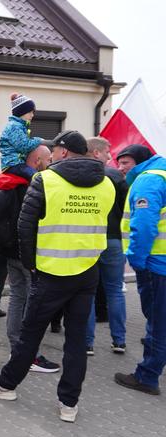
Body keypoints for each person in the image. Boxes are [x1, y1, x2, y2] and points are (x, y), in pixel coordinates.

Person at [0, 130, 115, 423]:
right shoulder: (107, 184)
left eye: (54, 149)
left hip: (50, 272)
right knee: (76, 340)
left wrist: (30, 265)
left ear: (63, 152)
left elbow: (25, 229)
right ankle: (69, 404)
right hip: (87, 271)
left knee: (30, 335)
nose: (50, 154)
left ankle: (5, 385)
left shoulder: (46, 180)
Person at [0, 145, 60, 373]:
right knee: (33, 304)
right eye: (48, 159)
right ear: (37, 160)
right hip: (28, 255)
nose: (50, 163)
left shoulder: (6, 182)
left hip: (7, 252)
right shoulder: (35, 184)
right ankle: (30, 355)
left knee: (16, 299)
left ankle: (16, 349)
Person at [115, 145, 165, 396]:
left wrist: (136, 259)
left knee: (157, 323)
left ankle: (147, 376)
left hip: (156, 264)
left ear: (141, 162)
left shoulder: (147, 181)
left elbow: (144, 226)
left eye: (125, 163)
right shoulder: (162, 175)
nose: (121, 168)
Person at [85, 137, 128, 356]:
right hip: (112, 239)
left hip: (90, 239)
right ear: (95, 153)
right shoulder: (115, 176)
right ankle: (119, 341)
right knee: (115, 291)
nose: (111, 156)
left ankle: (87, 343)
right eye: (107, 152)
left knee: (88, 292)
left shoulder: (81, 176)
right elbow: (124, 208)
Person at [0, 93, 44, 180]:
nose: (32, 115)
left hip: (17, 164)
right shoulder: (14, 127)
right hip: (13, 164)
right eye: (30, 112)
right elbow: (24, 146)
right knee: (37, 178)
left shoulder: (19, 126)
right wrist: (39, 140)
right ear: (21, 112)